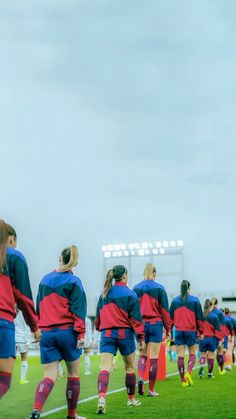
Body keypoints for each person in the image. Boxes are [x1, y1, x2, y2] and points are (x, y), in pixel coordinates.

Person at [29, 245, 87, 419]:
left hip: (46, 334)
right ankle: (72, 415)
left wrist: (36, 329)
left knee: (49, 375)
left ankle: (36, 410)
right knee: (73, 375)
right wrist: (81, 334)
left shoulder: (45, 279)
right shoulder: (74, 281)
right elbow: (79, 311)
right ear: (74, 263)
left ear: (59, 258)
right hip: (67, 333)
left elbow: (38, 306)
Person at [95, 265, 144, 414]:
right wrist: (140, 337)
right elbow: (136, 319)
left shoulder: (104, 294)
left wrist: (100, 327)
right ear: (124, 276)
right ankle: (130, 400)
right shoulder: (130, 294)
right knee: (129, 368)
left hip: (107, 334)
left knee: (105, 368)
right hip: (125, 334)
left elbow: (98, 318)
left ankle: (101, 399)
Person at [0, 220, 40, 399]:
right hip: (2, 322)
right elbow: (23, 296)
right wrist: (35, 326)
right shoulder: (13, 256)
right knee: (3, 380)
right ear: (10, 239)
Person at [133, 263, 171, 397]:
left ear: (143, 273)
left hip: (141, 325)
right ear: (154, 274)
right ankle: (151, 390)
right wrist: (168, 328)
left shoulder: (136, 288)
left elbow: (133, 311)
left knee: (142, 355)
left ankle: (141, 377)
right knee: (154, 358)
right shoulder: (160, 288)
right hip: (155, 325)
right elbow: (165, 311)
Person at [170, 280, 204, 387]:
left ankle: (183, 381)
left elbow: (170, 318)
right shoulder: (195, 300)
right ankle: (188, 373)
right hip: (190, 331)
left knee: (180, 355)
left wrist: (169, 331)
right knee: (192, 353)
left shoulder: (175, 300)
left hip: (179, 331)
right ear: (189, 288)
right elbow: (199, 318)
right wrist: (201, 332)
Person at [198, 299, 221, 379]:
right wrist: (220, 340)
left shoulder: (200, 316)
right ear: (211, 306)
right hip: (211, 339)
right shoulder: (214, 316)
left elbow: (197, 327)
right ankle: (210, 374)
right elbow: (218, 330)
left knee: (202, 355)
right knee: (211, 356)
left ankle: (201, 369)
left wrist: (198, 335)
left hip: (202, 338)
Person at [15, 308, 32, 384]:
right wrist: (28, 342)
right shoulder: (23, 312)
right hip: (22, 339)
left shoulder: (10, 310)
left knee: (8, 360)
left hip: (12, 338)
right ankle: (22, 379)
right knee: (24, 359)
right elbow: (27, 327)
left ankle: (4, 379)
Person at [210, 298, 226, 375]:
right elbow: (222, 326)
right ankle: (221, 370)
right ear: (217, 304)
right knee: (220, 352)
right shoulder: (219, 313)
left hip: (210, 335)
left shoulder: (208, 312)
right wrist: (221, 337)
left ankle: (209, 372)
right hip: (218, 335)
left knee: (211, 353)